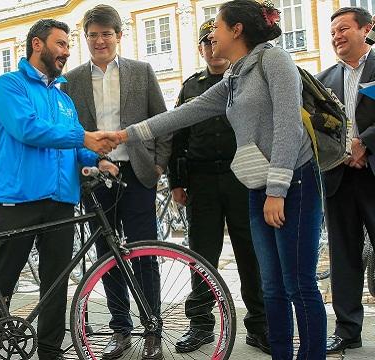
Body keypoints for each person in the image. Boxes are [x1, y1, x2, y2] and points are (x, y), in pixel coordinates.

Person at [111, 1, 326, 358]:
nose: (213, 35)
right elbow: (185, 113)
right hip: (257, 187)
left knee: (298, 284)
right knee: (272, 285)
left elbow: (289, 125)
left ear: (237, 30)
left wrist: (277, 190)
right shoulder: (235, 75)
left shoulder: (274, 60)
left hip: (293, 185)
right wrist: (124, 135)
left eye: (219, 28)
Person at [0, 19, 117, 360]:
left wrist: (98, 158)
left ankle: (49, 352)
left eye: (68, 44)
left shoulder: (63, 99)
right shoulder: (7, 87)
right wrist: (83, 137)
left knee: (56, 284)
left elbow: (74, 145)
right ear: (37, 45)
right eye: (60, 43)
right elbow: (28, 129)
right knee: (2, 281)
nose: (67, 51)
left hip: (61, 199)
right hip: (19, 199)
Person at [61, 5, 170, 359]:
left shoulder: (141, 71)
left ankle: (153, 328)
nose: (99, 41)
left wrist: (158, 165)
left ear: (119, 36)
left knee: (146, 252)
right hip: (96, 178)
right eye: (93, 35)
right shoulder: (73, 79)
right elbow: (72, 130)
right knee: (106, 254)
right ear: (86, 39)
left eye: (106, 34)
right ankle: (120, 329)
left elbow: (162, 119)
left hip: (138, 174)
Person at [168, 19, 269, 354]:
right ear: (200, 49)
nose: (213, 49)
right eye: (206, 43)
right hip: (201, 182)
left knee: (251, 253)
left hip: (242, 178)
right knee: (201, 255)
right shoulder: (191, 86)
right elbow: (177, 138)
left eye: (216, 40)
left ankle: (259, 325)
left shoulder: (245, 80)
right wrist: (177, 182)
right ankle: (200, 326)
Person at [316, 7, 375, 354]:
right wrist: (342, 151)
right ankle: (348, 329)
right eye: (333, 31)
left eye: (344, 29)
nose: (337, 36)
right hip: (338, 177)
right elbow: (318, 128)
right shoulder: (323, 80)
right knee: (344, 255)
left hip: (372, 170)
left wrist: (364, 142)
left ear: (366, 29)